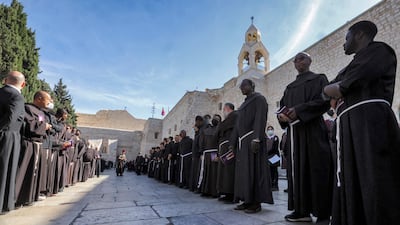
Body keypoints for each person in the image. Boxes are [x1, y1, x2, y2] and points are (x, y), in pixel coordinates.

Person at [323, 20, 400, 225]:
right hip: (348, 125)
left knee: (374, 180)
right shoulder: (352, 63)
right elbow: (330, 89)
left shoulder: (380, 51)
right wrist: (333, 90)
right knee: (350, 179)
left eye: (346, 38)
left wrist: (337, 89)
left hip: (370, 122)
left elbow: (345, 84)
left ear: (359, 35)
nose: (344, 43)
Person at [278, 52, 332, 222]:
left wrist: (299, 110)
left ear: (310, 60)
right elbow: (282, 107)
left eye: (302, 58)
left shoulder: (319, 79)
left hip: (314, 130)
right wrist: (281, 117)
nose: (298, 61)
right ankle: (301, 211)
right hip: (295, 135)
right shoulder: (289, 88)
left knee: (317, 169)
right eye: (296, 59)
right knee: (297, 172)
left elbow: (325, 101)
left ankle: (323, 213)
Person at [230, 79, 274, 213]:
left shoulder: (259, 99)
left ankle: (255, 202)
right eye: (241, 86)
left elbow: (260, 118)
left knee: (254, 171)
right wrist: (232, 143)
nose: (242, 88)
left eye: (244, 85)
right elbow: (238, 126)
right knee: (244, 173)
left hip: (252, 140)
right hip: (243, 142)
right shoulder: (243, 105)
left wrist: (256, 138)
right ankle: (246, 199)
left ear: (252, 86)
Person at [16, 91, 53, 206]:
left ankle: (30, 196)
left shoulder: (41, 113)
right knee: (25, 171)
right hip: (28, 143)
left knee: (34, 172)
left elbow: (41, 124)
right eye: (48, 99)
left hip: (38, 144)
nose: (50, 102)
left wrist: (47, 127)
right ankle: (19, 197)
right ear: (39, 99)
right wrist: (44, 126)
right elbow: (30, 125)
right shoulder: (28, 108)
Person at [0, 71, 25, 214]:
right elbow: (11, 119)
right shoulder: (16, 96)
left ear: (5, 80)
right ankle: (4, 203)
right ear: (23, 84)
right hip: (8, 136)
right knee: (5, 169)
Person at [216, 103, 238, 203]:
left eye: (223, 109)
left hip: (230, 146)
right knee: (224, 172)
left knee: (230, 171)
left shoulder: (235, 115)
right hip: (223, 148)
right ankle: (226, 193)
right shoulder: (228, 119)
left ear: (226, 108)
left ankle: (232, 195)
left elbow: (222, 128)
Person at [198, 114, 221, 197]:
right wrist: (201, 152)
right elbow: (202, 142)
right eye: (214, 118)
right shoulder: (206, 130)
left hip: (214, 153)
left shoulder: (219, 129)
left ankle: (214, 192)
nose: (215, 119)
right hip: (208, 153)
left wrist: (219, 154)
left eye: (217, 119)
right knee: (206, 171)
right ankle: (205, 191)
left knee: (214, 172)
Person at [189, 116, 204, 192]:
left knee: (198, 171)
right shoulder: (198, 132)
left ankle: (197, 186)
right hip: (195, 155)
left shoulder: (202, 130)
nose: (196, 124)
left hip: (199, 155)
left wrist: (200, 152)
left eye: (197, 122)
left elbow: (200, 142)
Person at [266, 126, 280, 191]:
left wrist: (267, 152)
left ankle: (275, 185)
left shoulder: (275, 138)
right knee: (270, 171)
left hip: (274, 156)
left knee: (274, 171)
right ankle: (271, 184)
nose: (270, 131)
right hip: (268, 157)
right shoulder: (266, 138)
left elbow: (275, 147)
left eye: (271, 129)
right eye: (268, 129)